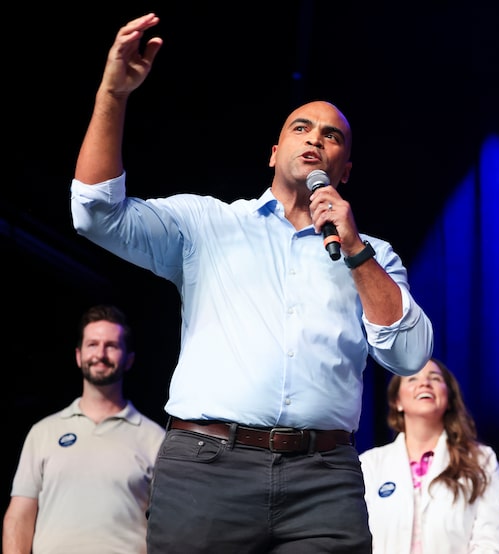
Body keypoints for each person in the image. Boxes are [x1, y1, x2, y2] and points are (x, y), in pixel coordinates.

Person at [69, 12, 434, 554]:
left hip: (323, 477)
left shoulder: (370, 255)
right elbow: (95, 214)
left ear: (346, 168)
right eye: (301, 128)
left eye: (332, 136)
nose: (315, 140)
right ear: (273, 152)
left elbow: (409, 354)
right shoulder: (207, 224)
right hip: (206, 468)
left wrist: (355, 251)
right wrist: (113, 95)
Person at [2, 304, 165, 554]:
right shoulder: (43, 432)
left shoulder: (155, 439)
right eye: (93, 344)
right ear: (78, 356)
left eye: (111, 345)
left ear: (129, 359)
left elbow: (168, 528)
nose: (101, 353)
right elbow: (19, 517)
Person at [359, 358, 499, 553]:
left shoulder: (481, 460)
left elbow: (492, 539)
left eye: (434, 378)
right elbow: (357, 538)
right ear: (397, 401)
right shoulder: (370, 465)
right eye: (412, 379)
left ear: (448, 397)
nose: (424, 383)